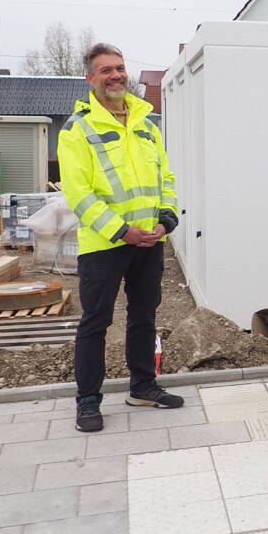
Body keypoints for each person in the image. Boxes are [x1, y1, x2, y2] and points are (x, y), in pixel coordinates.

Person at [58, 43, 182, 433]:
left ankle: (143, 386)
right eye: (106, 70)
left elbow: (164, 177)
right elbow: (78, 193)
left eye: (120, 68)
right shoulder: (78, 128)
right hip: (104, 245)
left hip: (149, 241)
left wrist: (166, 219)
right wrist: (120, 230)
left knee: (144, 317)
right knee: (95, 322)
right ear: (90, 79)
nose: (116, 75)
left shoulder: (146, 123)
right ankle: (88, 402)